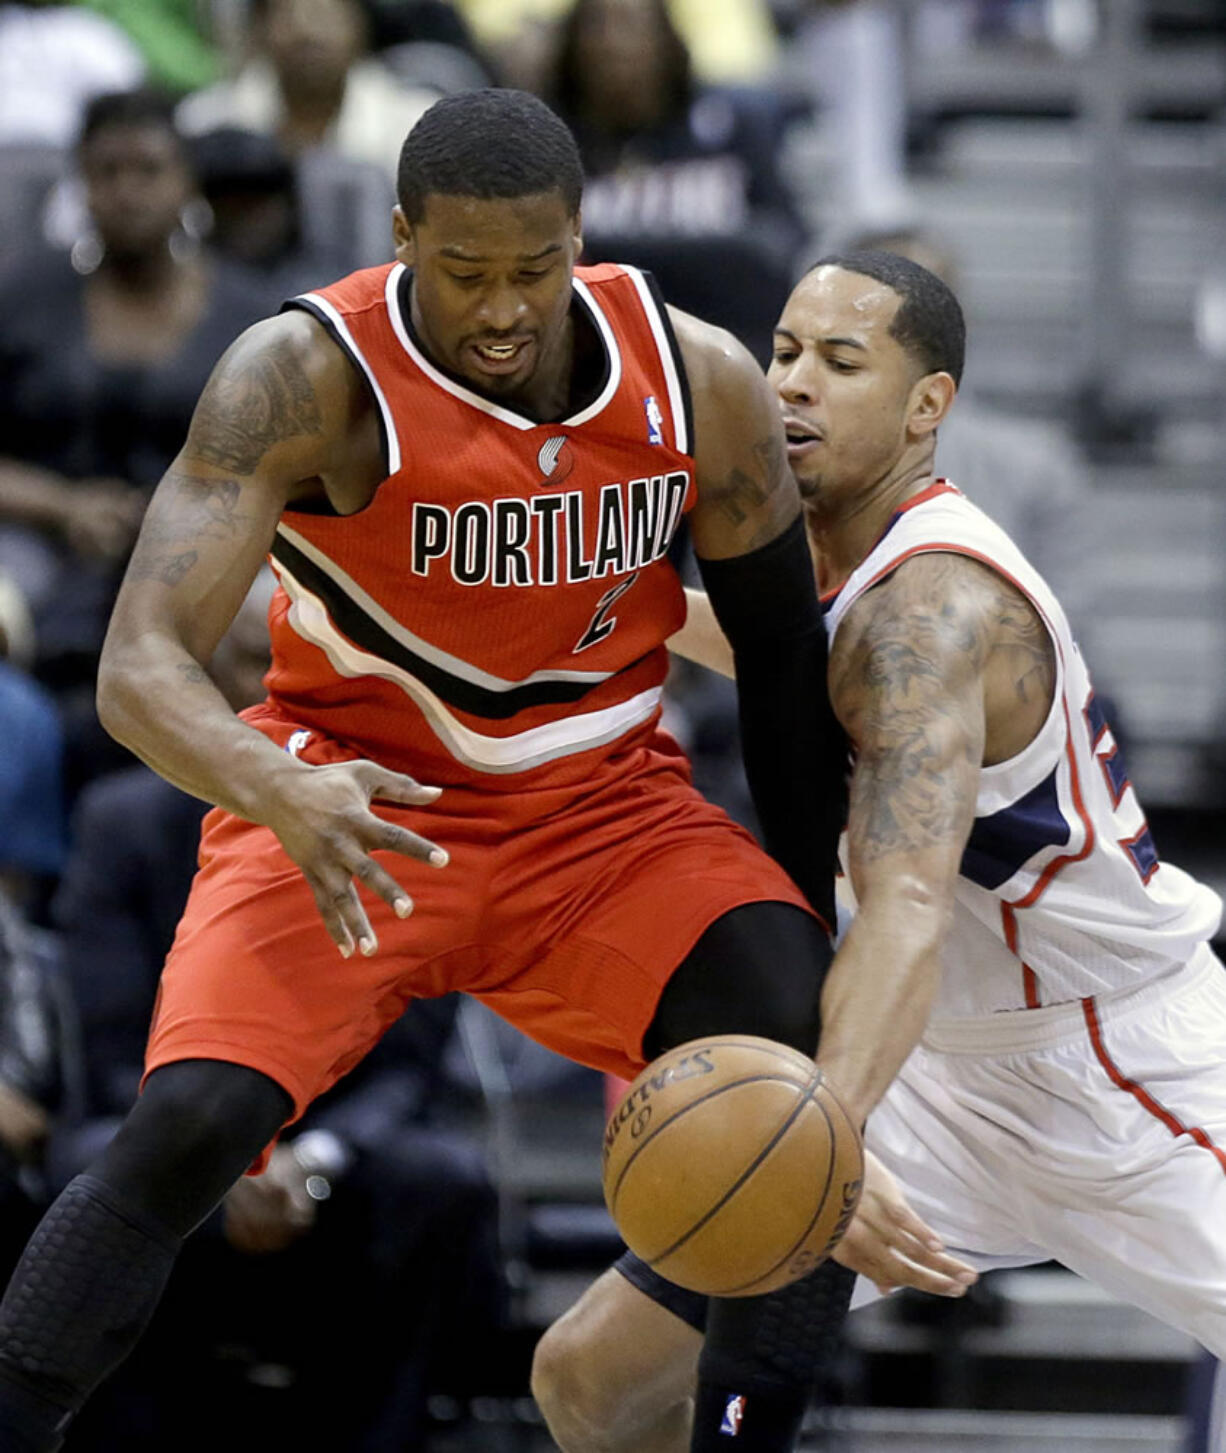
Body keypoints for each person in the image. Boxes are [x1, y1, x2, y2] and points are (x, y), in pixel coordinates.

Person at [0, 87, 873, 1453]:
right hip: (351, 802)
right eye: (464, 271)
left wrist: (834, 901)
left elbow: (776, 660)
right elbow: (138, 670)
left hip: (604, 816)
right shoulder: (302, 376)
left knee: (794, 1083)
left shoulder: (696, 379)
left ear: (578, 235)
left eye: (534, 266)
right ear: (400, 234)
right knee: (184, 1134)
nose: (505, 305)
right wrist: (273, 786)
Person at [530, 249, 1226, 1447]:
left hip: (1117, 1065)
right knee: (591, 1376)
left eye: (841, 363)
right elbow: (801, 659)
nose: (793, 385)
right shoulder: (818, 562)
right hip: (941, 1068)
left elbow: (902, 907)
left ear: (925, 407)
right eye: (785, 352)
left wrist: (818, 1135)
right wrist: (619, 613)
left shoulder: (930, 610)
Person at [0, 87, 270, 801]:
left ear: (185, 180)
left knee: (260, 623)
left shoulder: (250, 311)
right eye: (106, 172)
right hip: (44, 538)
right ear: (81, 184)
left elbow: (288, 458)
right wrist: (62, 505)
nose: (126, 191)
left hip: (214, 538)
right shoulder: (24, 298)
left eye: (148, 170)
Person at [546, 0, 808, 364]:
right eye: (598, 28)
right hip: (600, 353)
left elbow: (783, 243)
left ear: (668, 39)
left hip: (736, 343)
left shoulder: (733, 127)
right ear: (571, 45)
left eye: (633, 27)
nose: (615, 44)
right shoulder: (549, 141)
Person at [175, 0, 438, 183]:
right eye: (287, 13)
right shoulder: (205, 121)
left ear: (361, 25)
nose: (307, 31)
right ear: (258, 28)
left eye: (325, 13)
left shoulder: (417, 125)